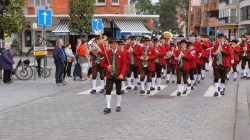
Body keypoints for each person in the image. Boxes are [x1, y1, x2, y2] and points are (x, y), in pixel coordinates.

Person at [103, 39, 127, 114]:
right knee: (108, 90)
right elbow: (103, 63)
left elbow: (124, 65)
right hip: (110, 75)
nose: (114, 45)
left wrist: (122, 74)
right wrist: (107, 66)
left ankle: (118, 105)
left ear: (117, 45)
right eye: (112, 44)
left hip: (118, 75)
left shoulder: (122, 53)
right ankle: (108, 106)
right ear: (110, 45)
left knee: (118, 91)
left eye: (115, 44)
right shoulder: (107, 53)